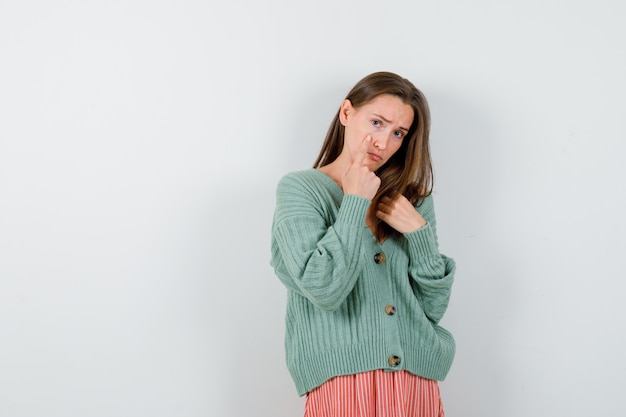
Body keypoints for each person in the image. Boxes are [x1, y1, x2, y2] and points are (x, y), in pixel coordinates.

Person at [270, 72, 456, 417]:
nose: (383, 142)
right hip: (342, 382)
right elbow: (323, 287)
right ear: (346, 113)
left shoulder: (411, 202)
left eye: (398, 132)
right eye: (377, 122)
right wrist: (355, 202)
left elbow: (431, 309)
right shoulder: (301, 190)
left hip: (416, 382)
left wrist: (418, 233)